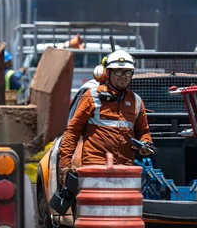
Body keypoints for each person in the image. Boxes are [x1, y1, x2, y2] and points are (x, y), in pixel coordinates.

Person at [58, 50, 153, 182]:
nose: (123, 76)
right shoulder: (92, 96)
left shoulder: (136, 101)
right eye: (118, 72)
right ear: (108, 73)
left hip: (124, 170)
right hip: (95, 168)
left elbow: (143, 132)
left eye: (128, 72)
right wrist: (65, 164)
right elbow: (73, 131)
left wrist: (146, 143)